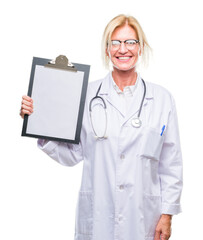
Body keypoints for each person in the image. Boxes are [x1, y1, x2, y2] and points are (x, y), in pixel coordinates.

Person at [20, 14, 183, 240]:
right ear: (106, 49)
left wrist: (167, 215)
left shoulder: (162, 99)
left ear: (141, 47)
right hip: (98, 217)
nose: (122, 49)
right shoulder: (85, 95)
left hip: (144, 219)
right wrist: (38, 121)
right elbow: (72, 155)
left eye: (130, 42)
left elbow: (170, 163)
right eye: (115, 43)